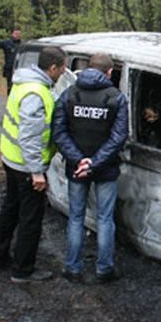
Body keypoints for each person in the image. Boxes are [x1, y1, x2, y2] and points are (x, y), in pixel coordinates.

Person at [0, 46, 67, 283]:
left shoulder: (24, 83)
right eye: (62, 68)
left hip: (11, 159)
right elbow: (29, 136)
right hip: (25, 166)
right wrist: (37, 172)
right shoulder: (36, 93)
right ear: (53, 68)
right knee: (31, 217)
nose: (63, 73)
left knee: (10, 207)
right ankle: (23, 270)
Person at [52, 53, 128, 284]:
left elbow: (59, 131)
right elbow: (118, 138)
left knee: (76, 217)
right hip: (105, 169)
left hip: (77, 169)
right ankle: (104, 269)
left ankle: (72, 268)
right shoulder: (116, 97)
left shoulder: (69, 94)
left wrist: (79, 160)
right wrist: (94, 162)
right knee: (105, 219)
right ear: (109, 72)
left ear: (87, 69)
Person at [0, 28, 22, 94]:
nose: (17, 35)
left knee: (18, 86)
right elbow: (0, 44)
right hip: (9, 68)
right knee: (10, 86)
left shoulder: (22, 45)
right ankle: (10, 101)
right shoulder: (7, 43)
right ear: (12, 34)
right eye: (16, 34)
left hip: (19, 69)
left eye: (19, 34)